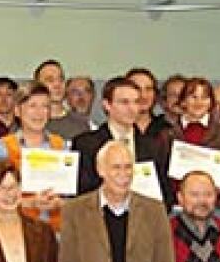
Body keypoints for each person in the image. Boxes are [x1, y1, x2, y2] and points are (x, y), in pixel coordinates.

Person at [72, 77, 172, 206]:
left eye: (136, 102)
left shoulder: (153, 146)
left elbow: (166, 193)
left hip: (143, 219)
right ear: (107, 105)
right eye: (124, 102)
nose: (132, 108)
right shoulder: (86, 144)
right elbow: (82, 192)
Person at [0, 82, 66, 232]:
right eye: (33, 106)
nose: (39, 113)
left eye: (45, 106)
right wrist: (31, 203)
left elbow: (72, 197)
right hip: (15, 231)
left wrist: (59, 202)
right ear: (17, 110)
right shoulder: (2, 148)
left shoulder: (61, 146)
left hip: (56, 233)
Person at [154, 77, 220, 207]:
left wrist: (208, 195)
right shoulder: (167, 135)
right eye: (193, 97)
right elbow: (161, 176)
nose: (199, 102)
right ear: (183, 101)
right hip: (177, 206)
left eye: (204, 97)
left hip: (215, 205)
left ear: (211, 103)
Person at [34, 60, 90, 141]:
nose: (57, 85)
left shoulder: (81, 124)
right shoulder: (31, 122)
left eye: (61, 79)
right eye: (50, 80)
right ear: (37, 86)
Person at [125, 67, 170, 141]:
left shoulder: (168, 130)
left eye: (148, 89)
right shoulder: (113, 130)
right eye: (137, 88)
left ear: (155, 94)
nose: (143, 95)